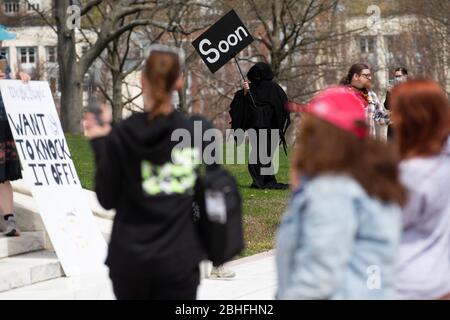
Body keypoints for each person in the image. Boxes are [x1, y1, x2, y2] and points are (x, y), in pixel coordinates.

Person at [83, 45, 206, 300]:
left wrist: (99, 142)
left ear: (141, 80)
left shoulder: (123, 133)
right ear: (180, 82)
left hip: (131, 261)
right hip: (178, 261)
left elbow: (107, 198)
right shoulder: (194, 133)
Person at [276, 87, 405, 300]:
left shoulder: (332, 191)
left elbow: (318, 278)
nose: (302, 132)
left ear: (323, 136)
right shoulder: (368, 179)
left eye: (308, 128)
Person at [390, 79, 450, 300]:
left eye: (398, 112)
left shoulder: (411, 174)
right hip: (441, 279)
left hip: (408, 284)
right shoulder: (442, 162)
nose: (394, 119)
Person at [230, 62, 290, 190]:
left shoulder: (273, 89)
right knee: (261, 154)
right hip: (262, 128)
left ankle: (263, 180)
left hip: (266, 127)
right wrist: (246, 93)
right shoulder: (258, 89)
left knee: (262, 154)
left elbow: (281, 107)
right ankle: (261, 180)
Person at [0, 26, 31, 237]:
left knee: (2, 177)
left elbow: (10, 92)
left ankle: (8, 220)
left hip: (3, 122)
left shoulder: (3, 62)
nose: (1, 44)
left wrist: (21, 81)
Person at [340, 63, 390, 141]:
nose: (369, 78)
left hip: (368, 146)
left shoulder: (371, 95)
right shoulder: (342, 94)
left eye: (369, 75)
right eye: (366, 75)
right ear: (356, 76)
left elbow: (381, 118)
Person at [384, 67, 408, 139]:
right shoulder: (393, 88)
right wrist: (389, 93)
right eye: (396, 76)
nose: (397, 78)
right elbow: (387, 106)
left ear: (405, 76)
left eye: (399, 76)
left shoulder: (411, 88)